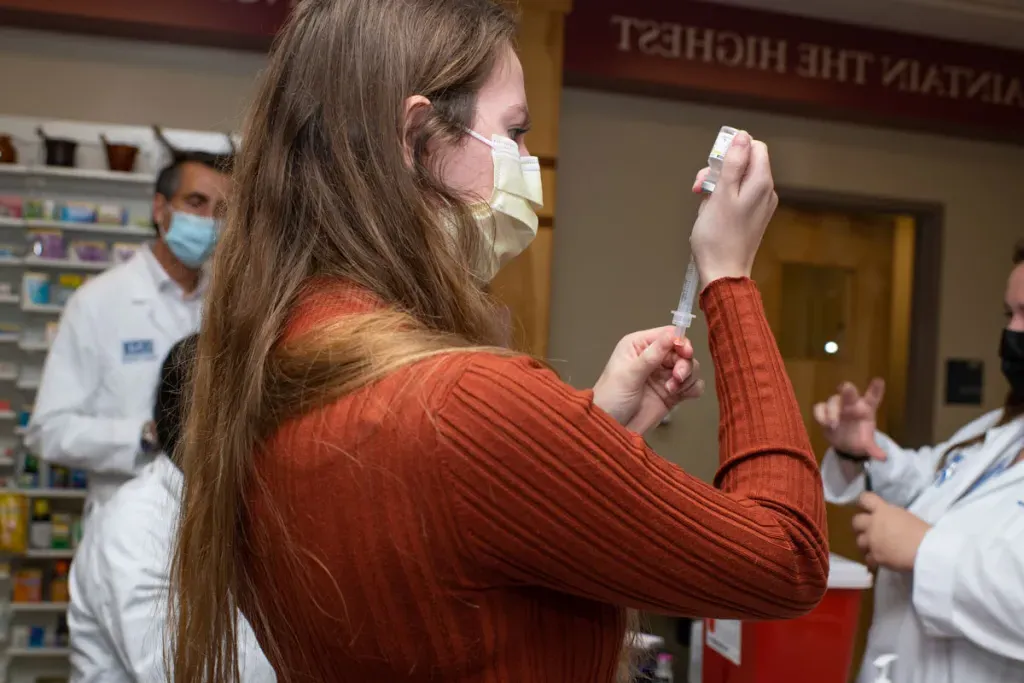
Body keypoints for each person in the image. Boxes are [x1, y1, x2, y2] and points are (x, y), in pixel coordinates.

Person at [170, 2, 830, 682]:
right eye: (513, 132)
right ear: (418, 133)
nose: (527, 165)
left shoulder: (277, 363)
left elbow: (440, 562)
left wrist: (585, 434)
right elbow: (788, 557)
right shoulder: (460, 403)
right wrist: (729, 276)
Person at [816, 242, 1024, 683]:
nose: (1013, 333)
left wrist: (924, 550)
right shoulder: (1003, 431)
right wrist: (861, 447)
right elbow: (929, 482)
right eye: (1009, 315)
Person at [27, 151, 230, 524]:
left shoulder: (230, 304)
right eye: (196, 202)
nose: (208, 221)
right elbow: (48, 430)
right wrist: (144, 436)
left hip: (209, 523)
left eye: (221, 211)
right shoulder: (98, 302)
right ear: (160, 209)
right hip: (125, 522)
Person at [67, 335, 275, 683]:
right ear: (201, 428)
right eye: (260, 415)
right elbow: (192, 672)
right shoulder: (133, 527)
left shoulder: (229, 503)